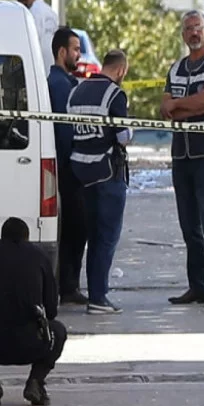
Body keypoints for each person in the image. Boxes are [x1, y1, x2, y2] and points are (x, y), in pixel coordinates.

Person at [160, 10, 204, 308]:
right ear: (183, 34)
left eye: (198, 28)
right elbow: (165, 108)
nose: (194, 33)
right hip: (181, 154)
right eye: (189, 28)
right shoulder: (175, 69)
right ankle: (197, 287)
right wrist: (184, 108)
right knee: (189, 225)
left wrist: (181, 107)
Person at [0, 217, 68, 406]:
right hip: (33, 344)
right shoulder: (40, 256)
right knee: (59, 331)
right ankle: (36, 381)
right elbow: (51, 309)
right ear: (27, 237)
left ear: (1, 238)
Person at [66, 50, 131, 314]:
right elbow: (123, 136)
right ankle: (98, 297)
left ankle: (94, 292)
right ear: (121, 70)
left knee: (93, 236)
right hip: (107, 173)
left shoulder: (77, 91)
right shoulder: (115, 94)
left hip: (82, 172)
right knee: (107, 237)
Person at [47, 27, 87, 306]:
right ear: (62, 52)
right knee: (76, 227)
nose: (79, 54)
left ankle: (68, 283)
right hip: (70, 168)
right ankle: (68, 285)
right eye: (75, 49)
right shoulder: (61, 85)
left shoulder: (65, 81)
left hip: (68, 167)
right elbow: (65, 130)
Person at [18, 0, 58, 76]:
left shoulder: (33, 11)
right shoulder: (50, 11)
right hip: (53, 53)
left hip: (41, 54)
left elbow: (34, 35)